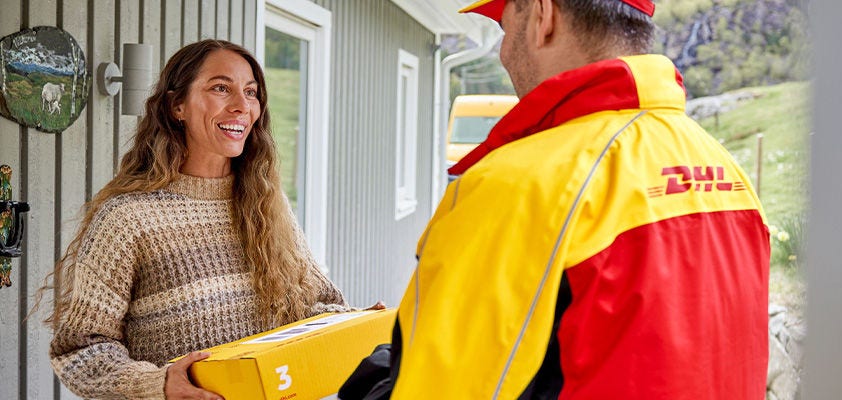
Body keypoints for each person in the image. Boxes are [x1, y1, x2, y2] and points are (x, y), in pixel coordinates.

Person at [345, 0, 771, 399]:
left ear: (543, 15)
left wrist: (376, 377)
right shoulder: (722, 167)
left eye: (504, 25)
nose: (503, 53)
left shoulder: (514, 186)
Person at [46, 39, 349, 400]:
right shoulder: (128, 218)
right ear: (178, 106)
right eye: (221, 88)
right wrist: (158, 386)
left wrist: (360, 324)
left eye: (250, 93)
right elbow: (80, 348)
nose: (241, 106)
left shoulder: (268, 205)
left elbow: (317, 305)